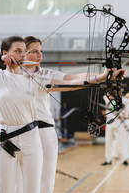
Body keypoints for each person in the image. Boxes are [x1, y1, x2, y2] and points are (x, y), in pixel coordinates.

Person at [0, 35, 124, 193]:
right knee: (9, 188)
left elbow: (72, 82)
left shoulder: (36, 79)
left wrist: (102, 77)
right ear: (6, 53)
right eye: (19, 51)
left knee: (38, 187)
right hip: (6, 137)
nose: (24, 54)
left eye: (24, 51)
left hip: (33, 136)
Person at [23, 36, 111, 193]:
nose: (39, 55)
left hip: (44, 131)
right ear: (22, 53)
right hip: (21, 132)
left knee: (45, 180)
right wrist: (3, 59)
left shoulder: (46, 74)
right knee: (22, 180)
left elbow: (74, 79)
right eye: (34, 51)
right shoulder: (10, 74)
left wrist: (102, 77)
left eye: (41, 51)